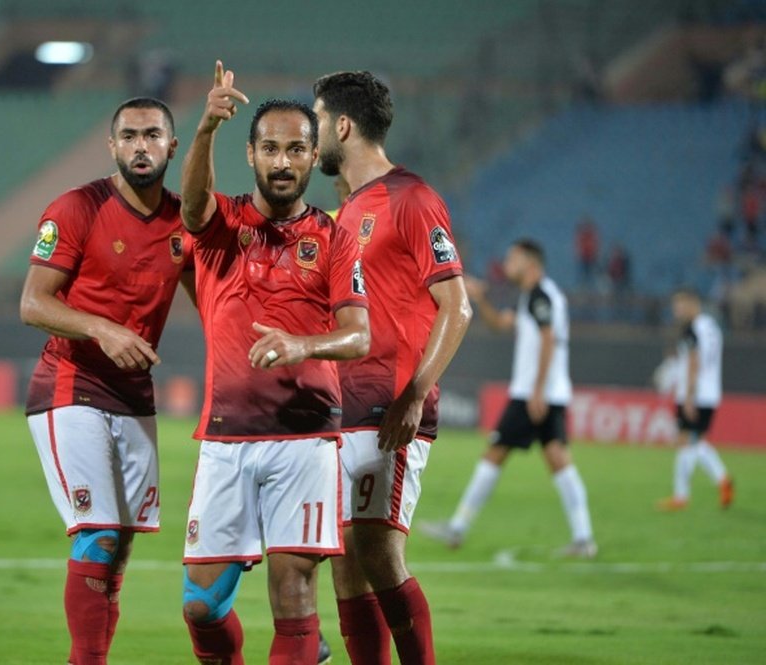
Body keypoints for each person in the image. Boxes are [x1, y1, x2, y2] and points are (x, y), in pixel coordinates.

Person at [179, 61, 370, 665]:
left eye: (295, 150)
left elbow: (358, 336)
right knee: (200, 608)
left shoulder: (337, 237)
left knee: (293, 592)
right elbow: (188, 209)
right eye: (270, 149)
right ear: (251, 155)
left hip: (305, 434)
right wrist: (205, 128)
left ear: (314, 158)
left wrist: (302, 344)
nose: (282, 162)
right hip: (225, 438)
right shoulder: (220, 224)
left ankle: (300, 647)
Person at [19, 97, 194, 665]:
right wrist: (103, 330)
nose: (140, 145)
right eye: (129, 136)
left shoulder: (182, 222)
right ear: (112, 146)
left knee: (117, 548)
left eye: (152, 135)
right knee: (97, 532)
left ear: (173, 145)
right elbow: (33, 303)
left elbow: (214, 302)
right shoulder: (75, 208)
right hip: (70, 384)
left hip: (133, 396)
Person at [312, 70, 472, 665]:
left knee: (379, 553)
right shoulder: (347, 211)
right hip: (341, 405)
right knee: (347, 565)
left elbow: (457, 305)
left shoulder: (412, 197)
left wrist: (414, 394)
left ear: (344, 125)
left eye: (319, 118)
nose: (314, 130)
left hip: (389, 408)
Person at [425, 240, 597, 559]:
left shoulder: (540, 296)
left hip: (533, 393)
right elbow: (501, 326)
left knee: (494, 453)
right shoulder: (536, 297)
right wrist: (481, 300)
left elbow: (548, 340)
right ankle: (584, 538)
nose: (507, 263)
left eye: (512, 258)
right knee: (558, 459)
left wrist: (537, 389)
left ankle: (458, 527)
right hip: (547, 392)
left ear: (530, 264)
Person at [657, 288, 734, 511]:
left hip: (694, 393)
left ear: (693, 303)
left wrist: (689, 397)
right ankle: (720, 482)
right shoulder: (711, 327)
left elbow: (694, 362)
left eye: (679, 305)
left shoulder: (692, 330)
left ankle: (683, 495)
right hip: (711, 392)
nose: (676, 310)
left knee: (686, 441)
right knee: (694, 442)